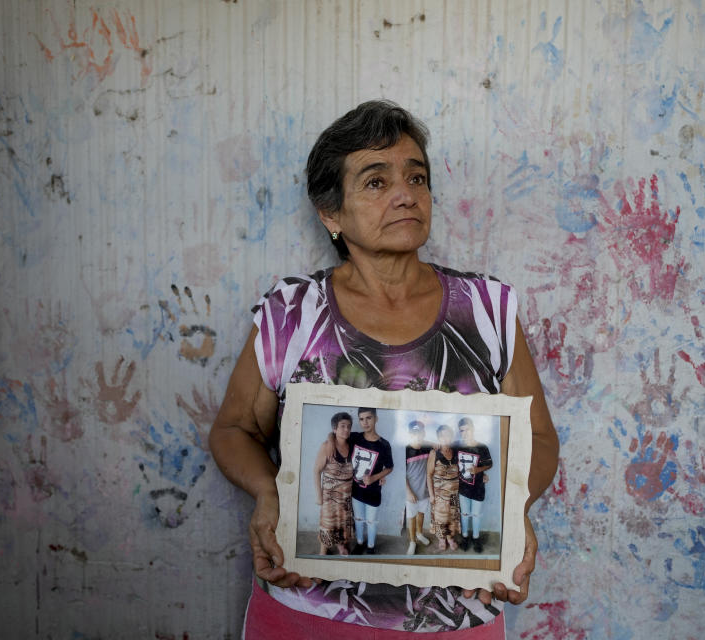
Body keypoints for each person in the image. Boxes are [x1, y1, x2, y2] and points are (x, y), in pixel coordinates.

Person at [210, 100, 558, 638]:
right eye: (375, 182)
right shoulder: (292, 313)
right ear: (331, 214)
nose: (405, 194)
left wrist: (513, 513)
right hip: (309, 611)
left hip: (457, 612)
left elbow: (538, 438)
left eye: (416, 177)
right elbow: (234, 429)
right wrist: (268, 492)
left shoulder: (487, 308)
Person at [346, 407, 393, 554]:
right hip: (355, 489)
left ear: (376, 418)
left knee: (371, 521)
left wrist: (375, 477)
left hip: (373, 492)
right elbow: (336, 435)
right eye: (361, 419)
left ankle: (371, 546)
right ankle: (359, 543)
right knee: (358, 519)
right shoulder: (354, 437)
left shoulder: (383, 444)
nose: (365, 422)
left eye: (369, 418)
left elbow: (390, 467)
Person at [313, 411, 355, 555]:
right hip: (330, 498)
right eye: (342, 426)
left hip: (345, 498)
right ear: (334, 428)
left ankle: (341, 546)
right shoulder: (327, 446)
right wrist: (319, 497)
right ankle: (322, 555)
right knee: (328, 526)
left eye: (349, 426)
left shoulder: (352, 445)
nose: (346, 429)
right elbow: (316, 471)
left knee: (343, 525)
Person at [456, 417, 493, 552]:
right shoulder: (457, 446)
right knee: (464, 514)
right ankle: (465, 537)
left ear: (473, 429)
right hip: (463, 487)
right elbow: (448, 455)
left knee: (476, 514)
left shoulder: (482, 447)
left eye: (467, 430)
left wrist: (479, 470)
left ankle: (476, 538)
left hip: (477, 487)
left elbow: (489, 464)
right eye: (462, 431)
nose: (465, 433)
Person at [427, 424, 461, 551]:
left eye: (448, 435)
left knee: (452, 517)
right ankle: (442, 539)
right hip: (439, 495)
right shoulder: (434, 453)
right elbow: (429, 475)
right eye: (442, 435)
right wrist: (431, 495)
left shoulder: (455, 451)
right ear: (438, 437)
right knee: (440, 518)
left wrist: (482, 475)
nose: (445, 438)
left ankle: (450, 538)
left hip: (454, 493)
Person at [403, 420, 433, 555]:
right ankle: (412, 541)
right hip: (411, 493)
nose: (418, 436)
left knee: (421, 514)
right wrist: (409, 492)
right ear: (410, 434)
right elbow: (401, 475)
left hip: (424, 491)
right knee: (411, 517)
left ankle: (420, 534)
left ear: (424, 433)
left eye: (421, 433)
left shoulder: (427, 448)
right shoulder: (405, 450)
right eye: (415, 433)